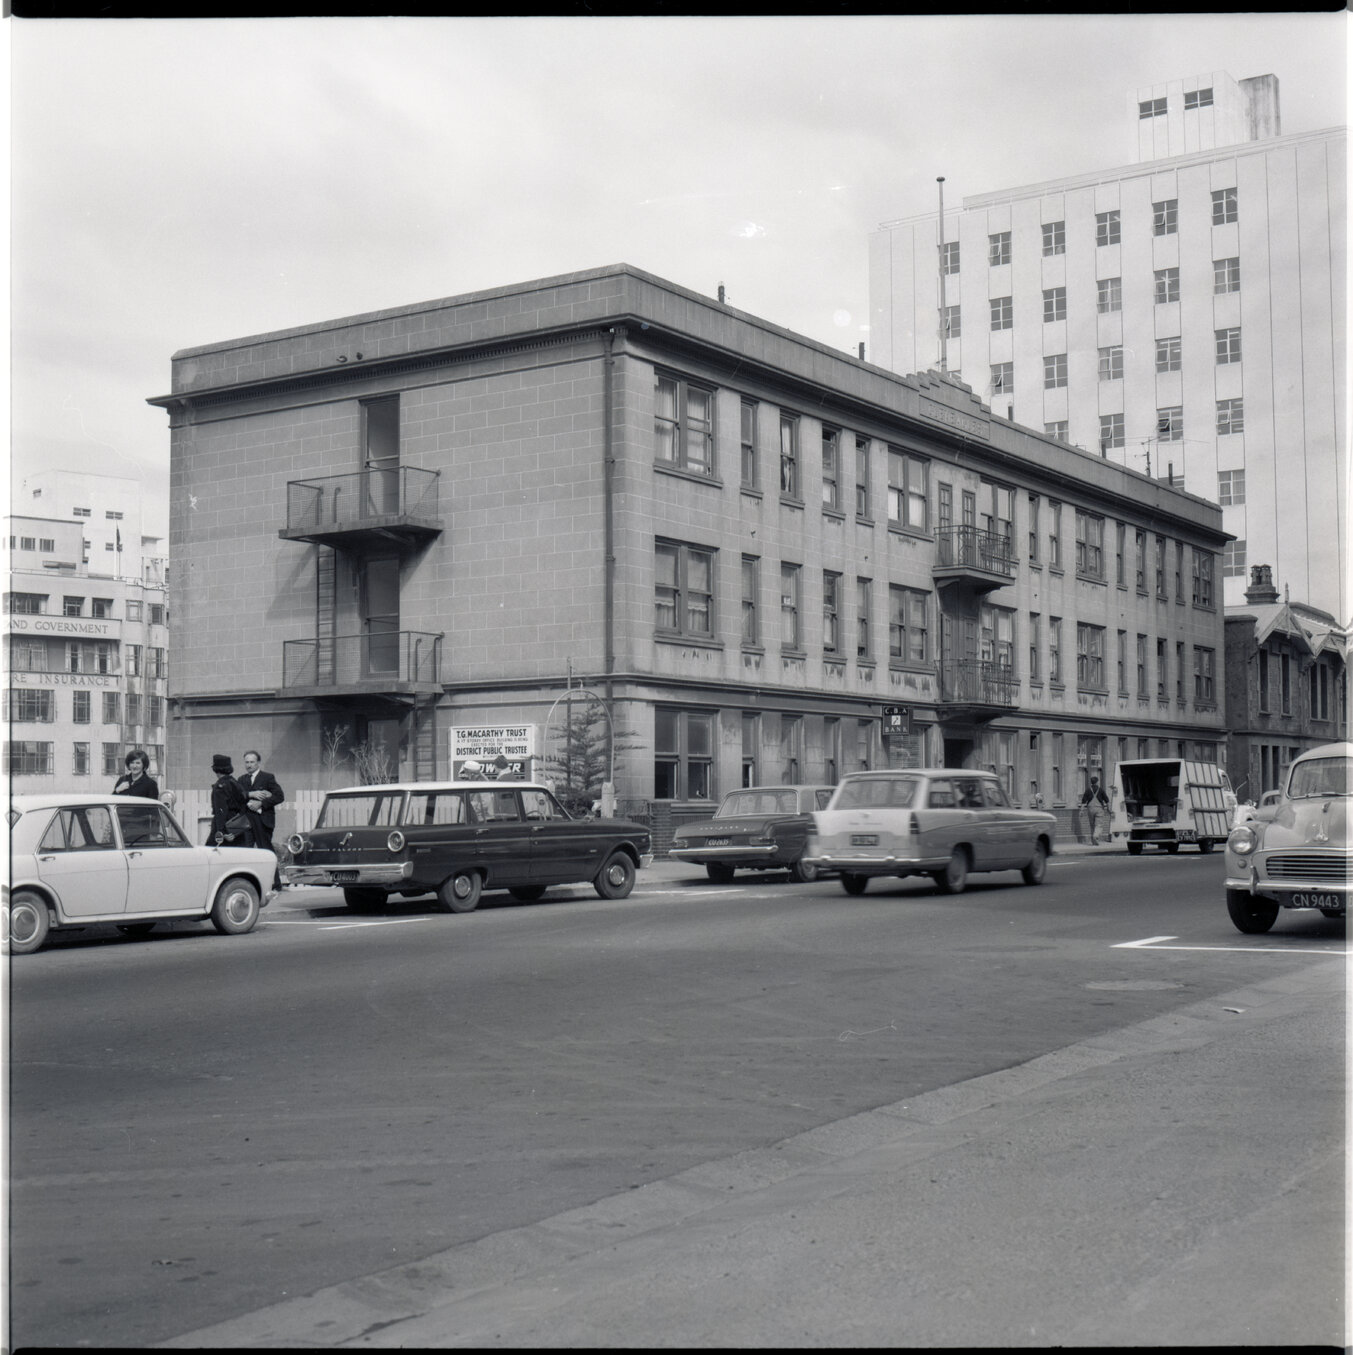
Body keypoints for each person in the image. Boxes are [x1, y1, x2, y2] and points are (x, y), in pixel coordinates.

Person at [238, 749, 285, 853]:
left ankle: (273, 870)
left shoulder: (267, 778)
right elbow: (236, 797)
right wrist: (250, 794)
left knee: (265, 851)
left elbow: (280, 796)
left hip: (262, 821)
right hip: (246, 821)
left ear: (258, 763)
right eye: (247, 762)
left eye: (252, 762)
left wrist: (261, 803)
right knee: (245, 852)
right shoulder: (241, 779)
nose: (249, 765)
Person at [209, 754, 253, 847]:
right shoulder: (234, 782)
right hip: (237, 825)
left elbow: (220, 810)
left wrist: (222, 831)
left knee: (211, 853)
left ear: (216, 769)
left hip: (225, 827)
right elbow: (243, 801)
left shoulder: (220, 786)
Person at [1080, 776, 1110, 845]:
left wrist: (1081, 810)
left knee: (1092, 825)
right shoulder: (1101, 790)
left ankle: (1093, 841)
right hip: (1099, 808)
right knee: (1099, 824)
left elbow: (1084, 801)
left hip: (1090, 809)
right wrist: (1108, 809)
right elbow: (1107, 800)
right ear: (1097, 782)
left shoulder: (1088, 790)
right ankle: (1096, 836)